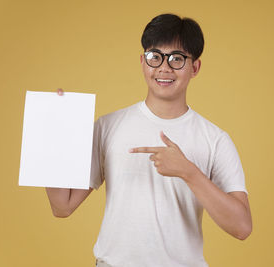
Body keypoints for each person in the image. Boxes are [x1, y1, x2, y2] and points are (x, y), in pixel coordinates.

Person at [45, 13, 252, 267]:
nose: (164, 68)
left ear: (194, 67)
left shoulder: (215, 139)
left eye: (177, 59)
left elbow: (242, 227)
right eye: (156, 57)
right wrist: (53, 134)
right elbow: (62, 206)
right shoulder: (108, 126)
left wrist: (189, 172)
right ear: (143, 62)